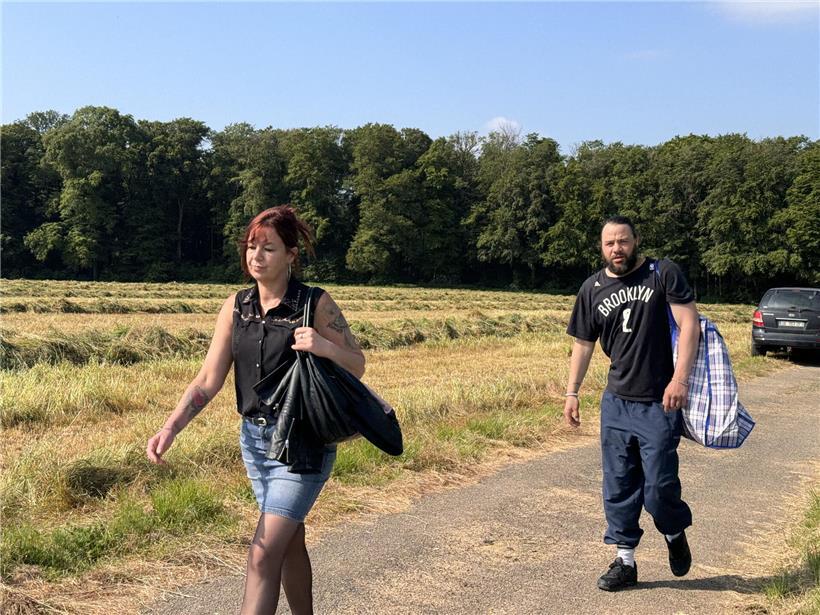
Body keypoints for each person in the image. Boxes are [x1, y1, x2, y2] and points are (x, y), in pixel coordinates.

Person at [146, 205, 365, 614]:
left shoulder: (313, 303)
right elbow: (208, 380)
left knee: (263, 553)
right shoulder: (236, 307)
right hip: (255, 442)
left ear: (291, 255)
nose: (256, 256)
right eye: (251, 246)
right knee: (289, 541)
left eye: (268, 248)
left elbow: (357, 362)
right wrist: (170, 428)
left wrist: (323, 346)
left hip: (302, 445)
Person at [563, 215, 700, 591]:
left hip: (660, 402)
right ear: (601, 247)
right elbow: (583, 344)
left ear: (635, 241)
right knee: (619, 484)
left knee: (658, 489)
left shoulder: (662, 273)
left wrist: (680, 379)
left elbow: (690, 325)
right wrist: (572, 392)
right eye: (609, 243)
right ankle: (625, 561)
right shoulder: (592, 288)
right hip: (617, 404)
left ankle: (673, 531)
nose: (616, 249)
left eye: (623, 241)